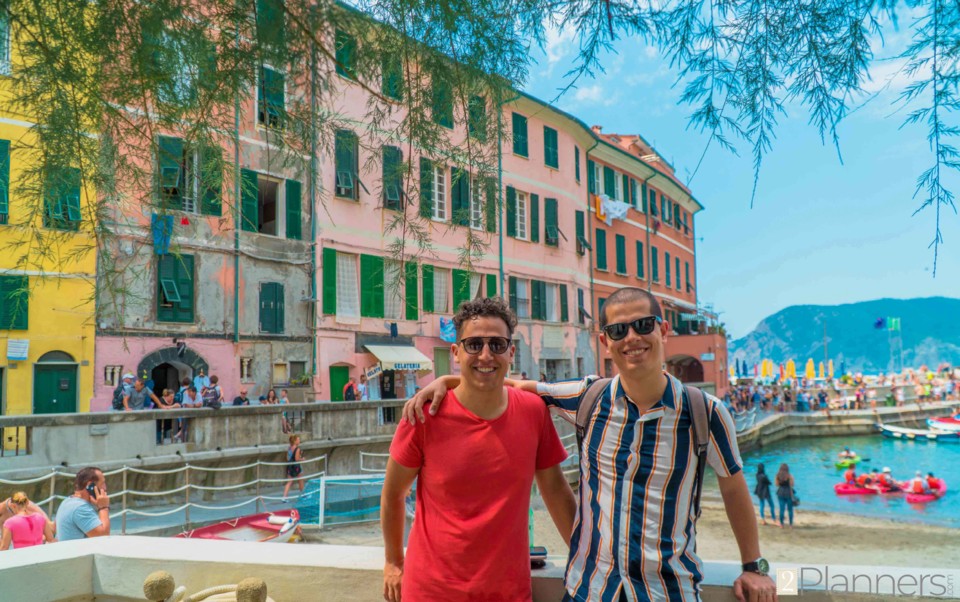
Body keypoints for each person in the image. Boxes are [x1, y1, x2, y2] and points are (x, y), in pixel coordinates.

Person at [404, 287, 776, 602]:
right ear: (605, 342)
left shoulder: (705, 413)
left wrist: (754, 567)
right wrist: (446, 382)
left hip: (668, 590)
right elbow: (499, 381)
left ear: (663, 330)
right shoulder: (587, 398)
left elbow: (733, 488)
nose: (631, 338)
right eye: (618, 330)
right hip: (590, 590)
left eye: (643, 325)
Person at [382, 297, 576, 602]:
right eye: (474, 345)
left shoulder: (533, 412)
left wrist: (584, 558)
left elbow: (555, 489)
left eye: (497, 344)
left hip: (509, 593)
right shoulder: (424, 415)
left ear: (511, 353)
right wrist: (394, 562)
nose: (486, 355)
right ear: (456, 353)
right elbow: (393, 493)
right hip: (432, 592)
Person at [55, 467, 110, 541]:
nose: (105, 488)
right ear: (90, 485)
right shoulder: (80, 508)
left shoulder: (67, 501)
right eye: (102, 483)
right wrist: (103, 507)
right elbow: (103, 537)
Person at [282, 434, 304, 502]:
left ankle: (284, 497)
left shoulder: (289, 448)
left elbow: (287, 458)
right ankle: (303, 494)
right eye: (298, 439)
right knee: (300, 480)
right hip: (296, 466)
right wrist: (302, 459)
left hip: (290, 466)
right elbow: (297, 459)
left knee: (289, 481)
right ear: (295, 441)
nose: (299, 441)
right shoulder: (297, 449)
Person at [775, 463, 795, 529]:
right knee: (790, 510)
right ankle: (790, 525)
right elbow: (792, 484)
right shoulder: (789, 476)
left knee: (781, 509)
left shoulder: (777, 475)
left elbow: (776, 484)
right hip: (788, 493)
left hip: (780, 492)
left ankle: (781, 524)